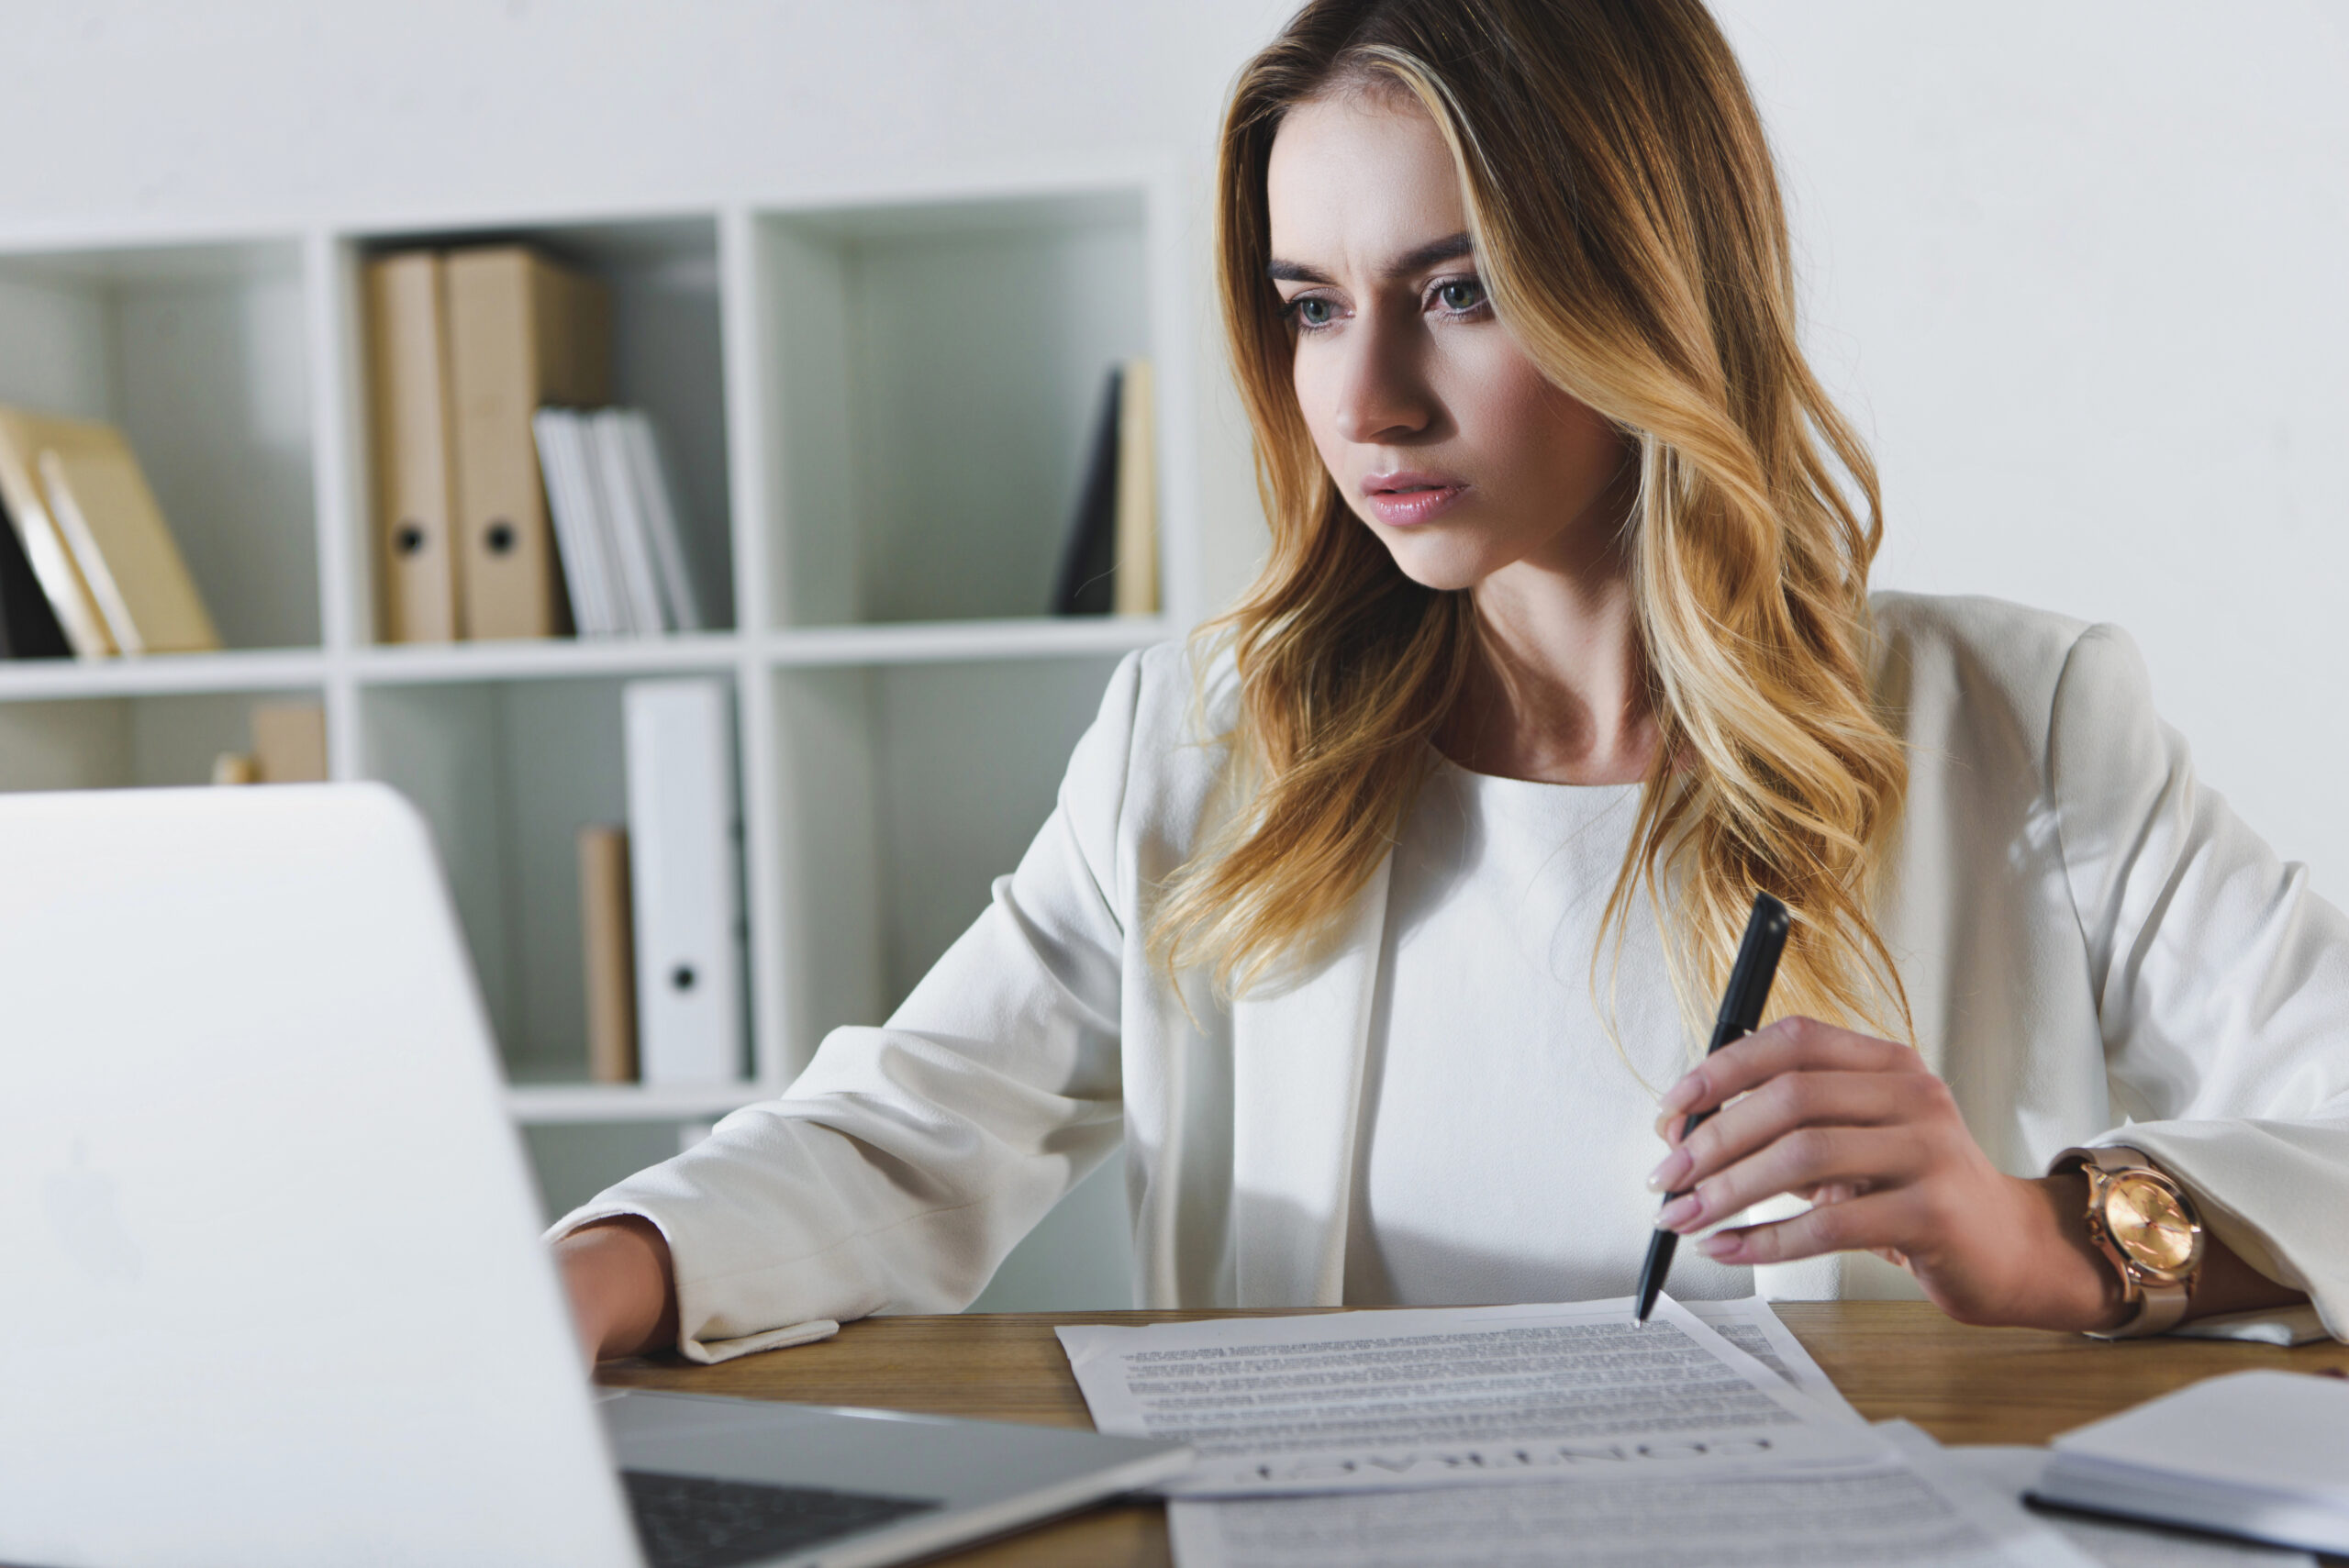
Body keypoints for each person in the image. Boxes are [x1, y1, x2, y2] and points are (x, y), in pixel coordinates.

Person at [556, 0, 2344, 1363]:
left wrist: (2053, 1237)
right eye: (1310, 304)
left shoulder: (2011, 728)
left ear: (1646, 283)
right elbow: (900, 1137)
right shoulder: (1201, 749)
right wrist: (577, 1286)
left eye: (1458, 291)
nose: (1367, 401)